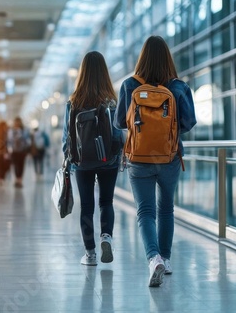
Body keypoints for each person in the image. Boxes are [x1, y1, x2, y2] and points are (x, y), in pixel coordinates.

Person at [113, 35, 197, 287]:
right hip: (170, 157)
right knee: (166, 209)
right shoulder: (179, 87)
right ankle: (167, 260)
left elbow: (118, 122)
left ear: (142, 58)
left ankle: (154, 259)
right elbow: (189, 123)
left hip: (138, 159)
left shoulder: (129, 85)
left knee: (145, 212)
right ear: (168, 58)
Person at [61, 51, 122, 266]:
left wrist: (69, 158)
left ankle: (90, 254)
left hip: (82, 161)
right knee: (106, 201)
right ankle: (106, 236)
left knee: (87, 205)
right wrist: (117, 155)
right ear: (104, 72)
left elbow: (66, 138)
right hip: (108, 160)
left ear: (82, 73)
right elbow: (117, 135)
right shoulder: (111, 101)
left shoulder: (73, 101)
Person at [7, 117, 31, 188]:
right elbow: (9, 140)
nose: (17, 123)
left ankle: (20, 180)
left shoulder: (24, 130)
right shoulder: (11, 130)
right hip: (14, 150)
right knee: (15, 165)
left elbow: (27, 140)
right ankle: (16, 179)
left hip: (22, 150)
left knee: (21, 165)